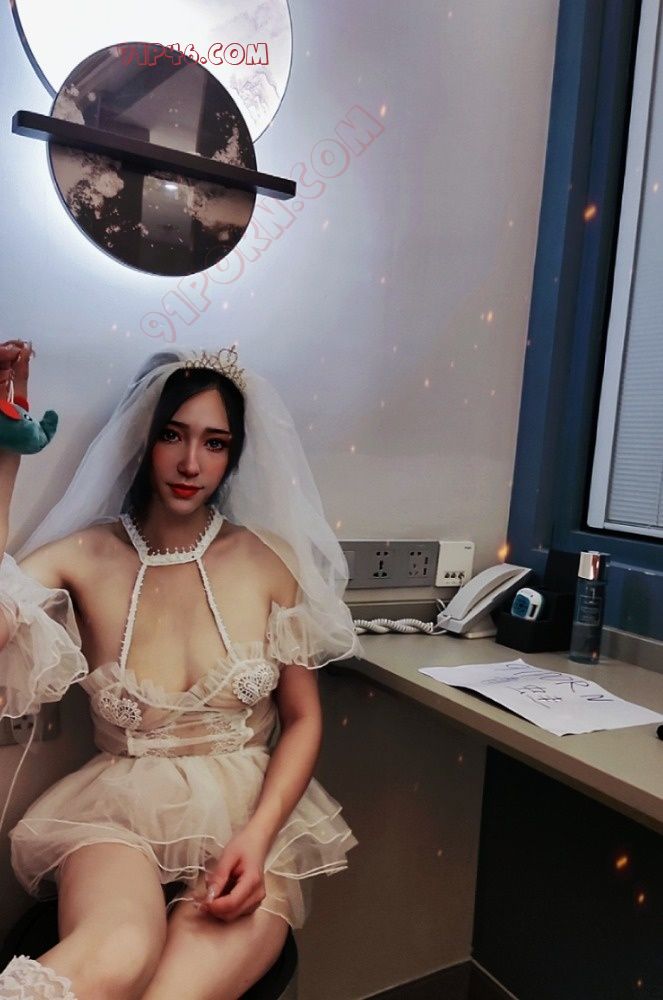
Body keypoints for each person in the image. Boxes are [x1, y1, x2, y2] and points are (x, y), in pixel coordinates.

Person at [0, 341, 361, 1000]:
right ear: (144, 439)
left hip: (253, 810)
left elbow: (304, 719)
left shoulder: (270, 559)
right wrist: (4, 456)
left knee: (172, 994)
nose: (191, 463)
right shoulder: (85, 553)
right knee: (116, 955)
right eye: (173, 435)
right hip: (117, 810)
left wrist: (257, 840)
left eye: (215, 443)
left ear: (234, 454)